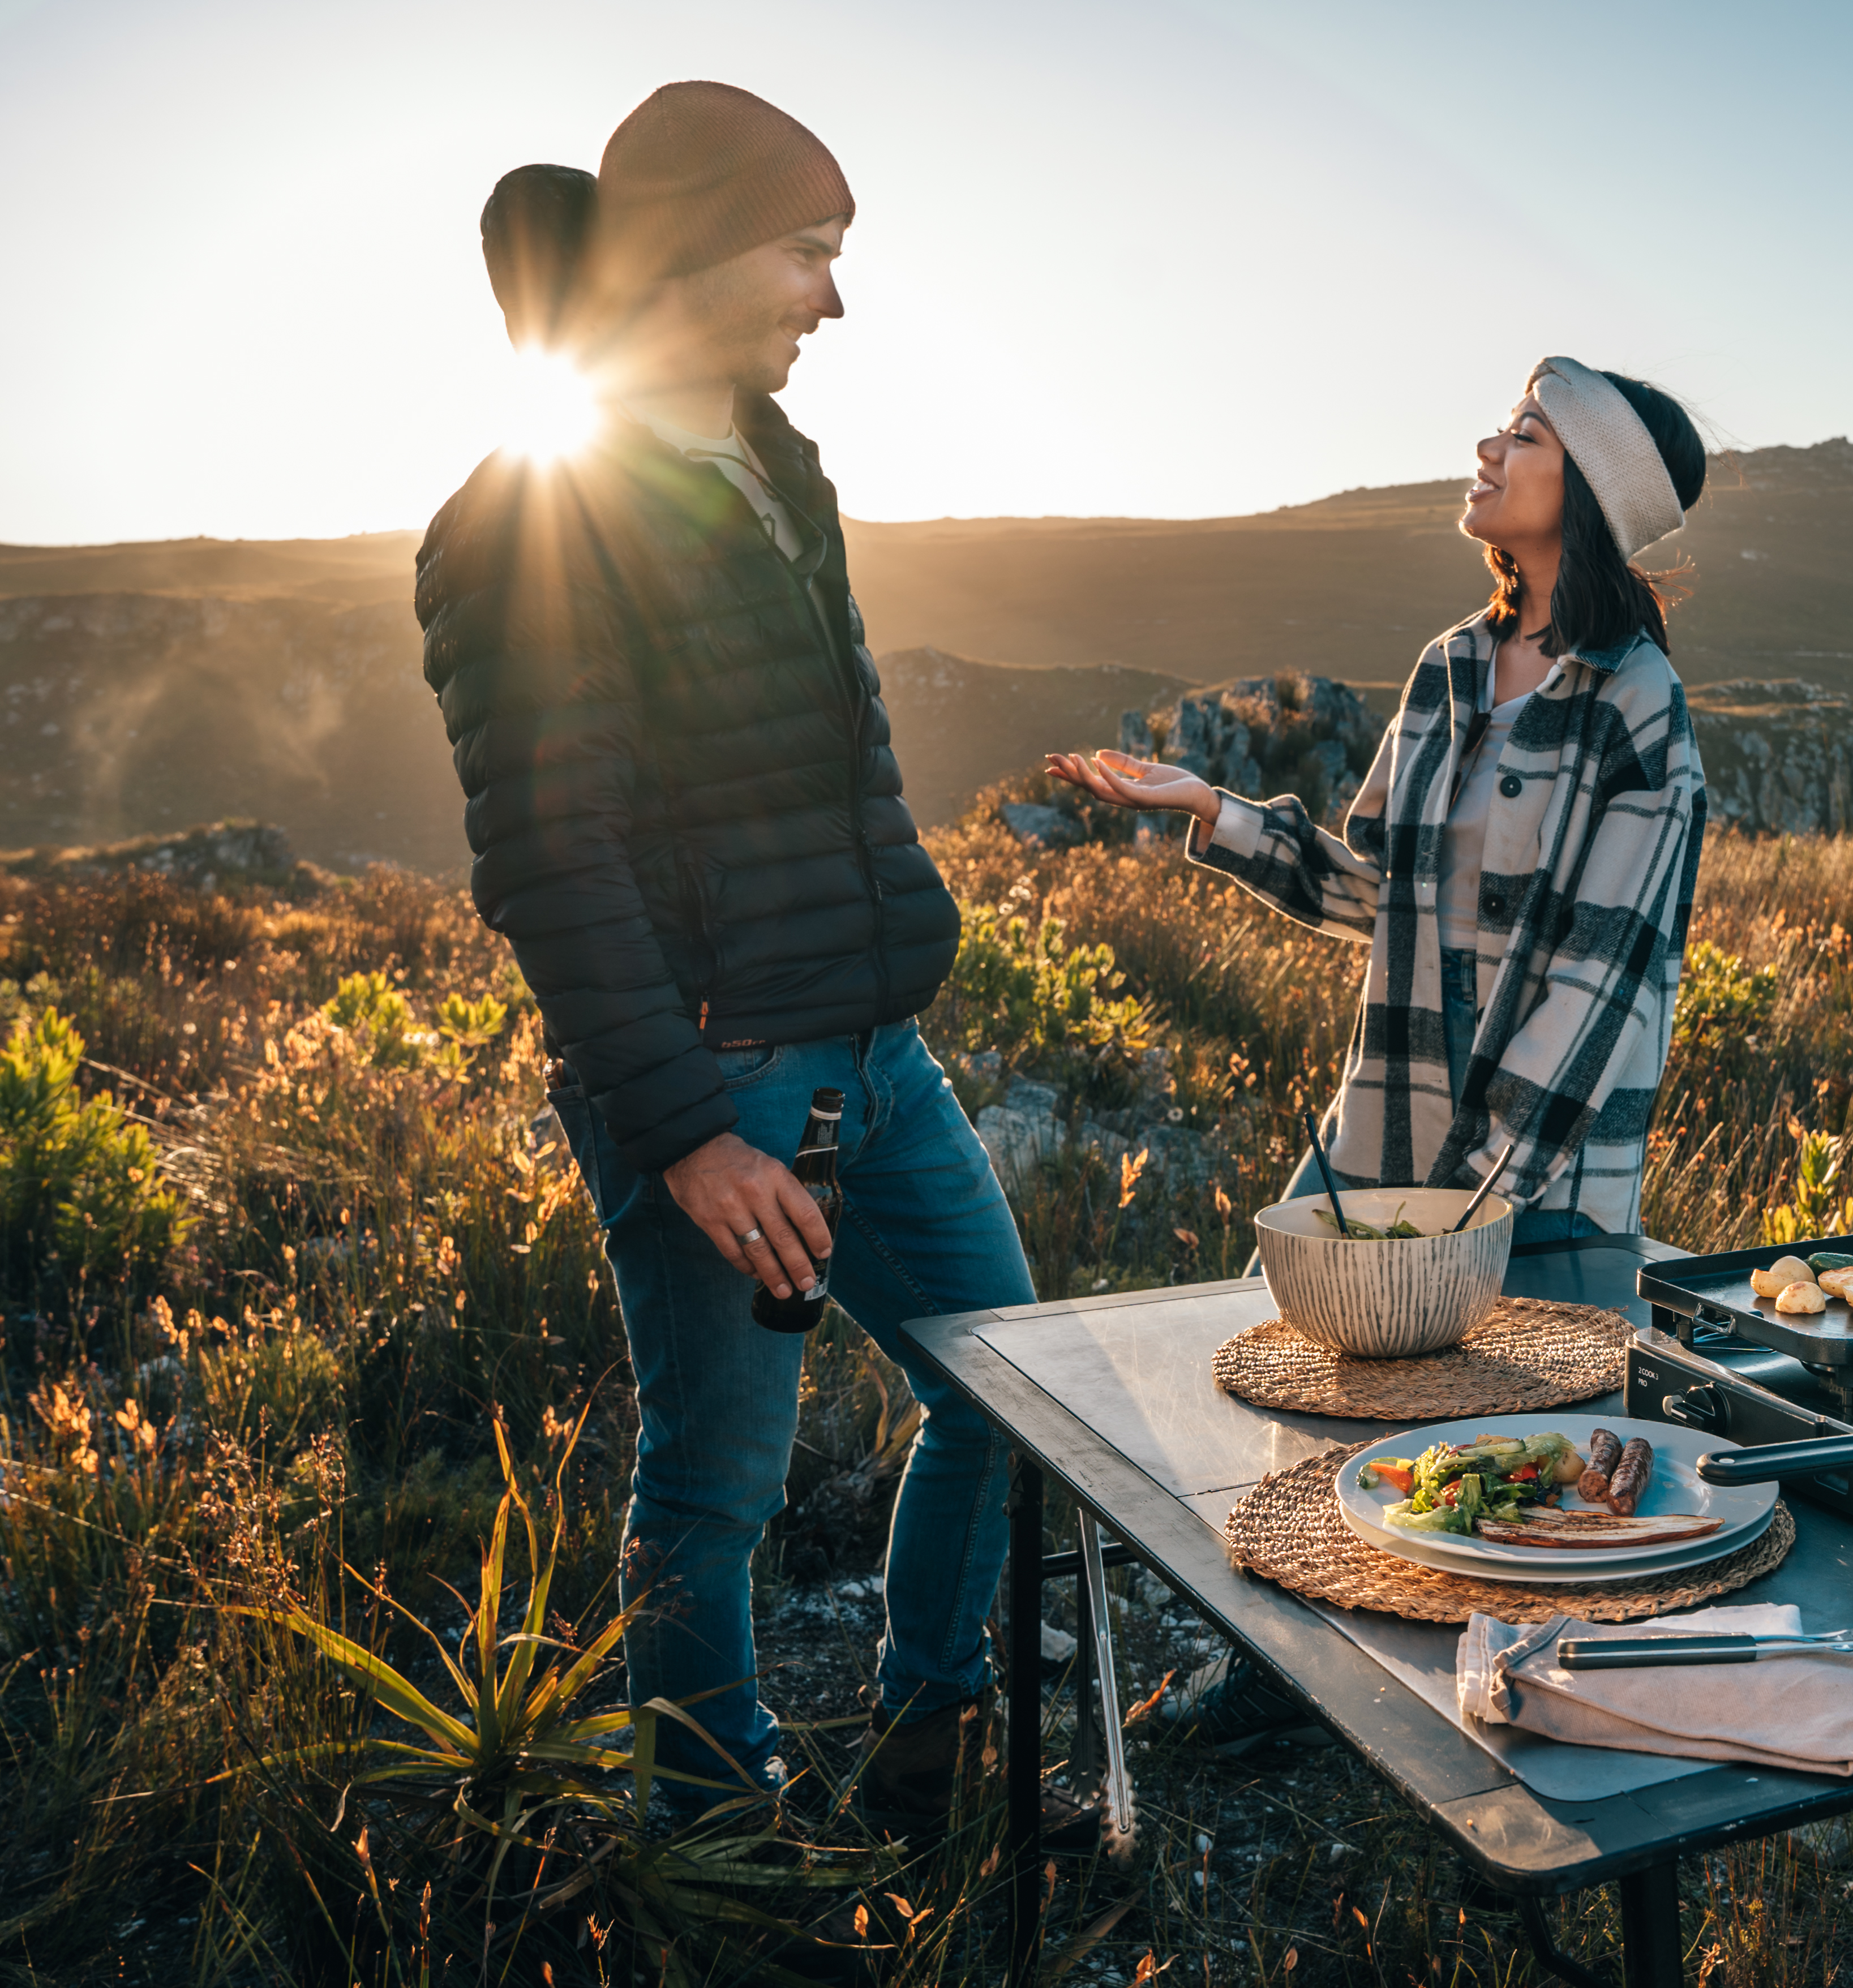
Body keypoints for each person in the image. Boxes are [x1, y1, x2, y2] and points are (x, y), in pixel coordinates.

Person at [418, 82, 1073, 1837]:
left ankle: (926, 1747)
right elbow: (552, 858)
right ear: (694, 249)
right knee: (713, 1496)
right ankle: (713, 1848)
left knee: (1010, 1392)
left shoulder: (785, 475)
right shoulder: (523, 518)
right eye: (808, 253)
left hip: (875, 1049)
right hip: (724, 1078)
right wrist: (692, 1128)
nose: (830, 299)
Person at [1047, 357, 1710, 1737]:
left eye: (1524, 431)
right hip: (1382, 1129)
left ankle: (1497, 1713)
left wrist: (1469, 1203)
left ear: (1584, 489)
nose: (1487, 443)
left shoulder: (1639, 705)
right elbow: (1377, 897)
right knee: (1295, 1405)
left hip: (1532, 1179)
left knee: (1517, 1455)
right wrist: (1217, 809)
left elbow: (1601, 981)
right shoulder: (1448, 667)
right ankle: (1295, 1672)